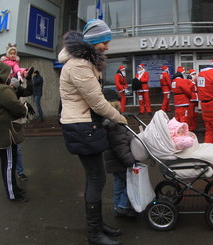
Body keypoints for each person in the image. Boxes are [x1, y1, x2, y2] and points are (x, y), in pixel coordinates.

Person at [58, 19, 127, 245]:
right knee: (97, 179)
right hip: (82, 126)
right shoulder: (79, 65)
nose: (107, 46)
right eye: (104, 42)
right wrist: (119, 117)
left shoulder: (84, 62)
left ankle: (98, 226)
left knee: (94, 177)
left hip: (86, 124)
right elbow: (97, 102)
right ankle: (95, 234)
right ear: (94, 41)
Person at [0, 61, 32, 202]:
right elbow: (16, 107)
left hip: (0, 132)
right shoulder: (3, 90)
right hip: (6, 133)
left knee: (7, 164)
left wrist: (28, 81)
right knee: (9, 165)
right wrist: (25, 107)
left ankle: (14, 188)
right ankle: (13, 194)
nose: (10, 76)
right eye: (9, 74)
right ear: (4, 74)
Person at [102, 88, 138, 218]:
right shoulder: (115, 122)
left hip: (114, 160)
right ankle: (123, 206)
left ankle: (117, 207)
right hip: (120, 160)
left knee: (119, 183)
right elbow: (119, 146)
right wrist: (130, 161)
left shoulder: (107, 120)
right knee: (130, 183)